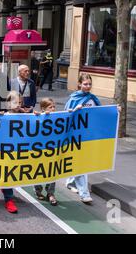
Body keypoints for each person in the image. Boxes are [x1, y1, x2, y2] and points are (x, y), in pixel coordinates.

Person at [0, 91, 37, 213]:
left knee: (12, 173)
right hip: (4, 150)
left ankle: (5, 188)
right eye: (15, 102)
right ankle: (9, 199)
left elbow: (37, 125)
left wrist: (40, 115)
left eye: (20, 102)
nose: (18, 105)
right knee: (7, 172)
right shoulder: (2, 116)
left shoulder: (26, 116)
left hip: (18, 150)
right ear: (8, 104)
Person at [64, 73, 101, 205]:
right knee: (82, 163)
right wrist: (75, 109)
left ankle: (69, 182)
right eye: (85, 84)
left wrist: (115, 110)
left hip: (88, 135)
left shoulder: (93, 98)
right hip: (75, 135)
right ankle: (84, 193)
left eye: (90, 84)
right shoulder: (73, 98)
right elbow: (66, 115)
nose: (88, 86)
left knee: (81, 161)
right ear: (79, 84)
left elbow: (100, 113)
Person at [33, 97, 59, 206]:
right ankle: (38, 189)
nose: (53, 109)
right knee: (38, 169)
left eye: (54, 107)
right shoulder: (39, 117)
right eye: (50, 107)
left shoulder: (59, 118)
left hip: (52, 149)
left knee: (53, 170)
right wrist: (38, 116)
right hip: (39, 149)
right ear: (43, 109)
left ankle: (50, 193)